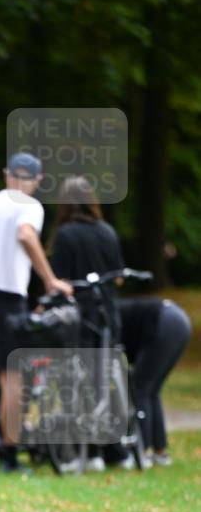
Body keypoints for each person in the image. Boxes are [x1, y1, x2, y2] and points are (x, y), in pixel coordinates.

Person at [0, 153, 73, 472]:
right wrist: (50, 280)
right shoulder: (29, 205)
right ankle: (10, 454)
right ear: (35, 179)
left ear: (7, 174)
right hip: (7, 296)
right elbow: (25, 235)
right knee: (12, 376)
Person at [48, 174, 167, 470]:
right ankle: (119, 448)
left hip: (81, 317)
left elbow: (59, 281)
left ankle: (92, 452)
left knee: (82, 382)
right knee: (108, 381)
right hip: (108, 316)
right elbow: (120, 276)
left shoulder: (64, 235)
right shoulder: (107, 232)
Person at [119, 297, 191, 465]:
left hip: (164, 321)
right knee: (150, 389)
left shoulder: (104, 320)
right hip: (178, 319)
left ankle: (140, 451)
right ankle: (159, 452)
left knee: (139, 387)